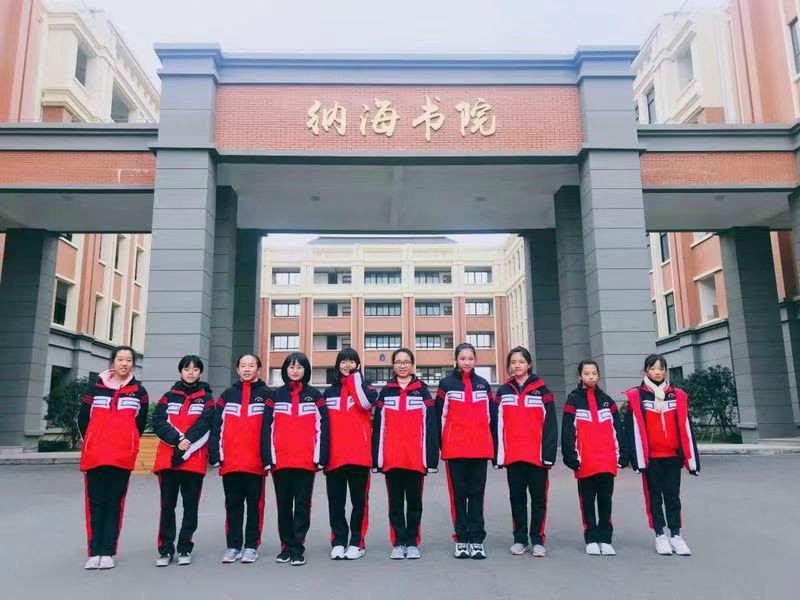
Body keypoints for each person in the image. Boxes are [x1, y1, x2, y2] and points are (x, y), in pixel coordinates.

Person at [78, 346, 149, 570]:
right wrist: (92, 441)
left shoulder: (139, 392)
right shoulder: (94, 388)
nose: (124, 363)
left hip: (121, 457)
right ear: (113, 361)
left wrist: (128, 443)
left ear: (133, 363)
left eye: (128, 360)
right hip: (95, 456)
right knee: (95, 504)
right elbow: (83, 419)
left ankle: (107, 552)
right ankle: (94, 552)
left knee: (114, 504)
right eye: (120, 359)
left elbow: (139, 424)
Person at [623, 354, 700, 557]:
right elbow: (630, 429)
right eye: (653, 368)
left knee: (673, 497)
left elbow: (686, 427)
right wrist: (634, 459)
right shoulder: (637, 396)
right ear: (645, 371)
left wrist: (692, 459)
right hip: (651, 459)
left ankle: (676, 534)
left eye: (661, 368)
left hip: (673, 456)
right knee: (654, 497)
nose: (657, 372)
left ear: (665, 371)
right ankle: (660, 534)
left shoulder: (677, 395)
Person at [261, 352, 329, 566]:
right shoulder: (275, 396)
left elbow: (323, 427)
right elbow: (266, 428)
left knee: (301, 506)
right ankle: (286, 548)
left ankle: (298, 548)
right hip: (280, 462)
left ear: (306, 370)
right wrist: (269, 458)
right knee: (283, 506)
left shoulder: (316, 396)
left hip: (306, 462)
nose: (295, 370)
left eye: (299, 367)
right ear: (285, 370)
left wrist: (320, 457)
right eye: (291, 367)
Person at [372, 348, 439, 560]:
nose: (402, 366)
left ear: (412, 365)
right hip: (392, 459)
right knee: (395, 504)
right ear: (393, 365)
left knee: (414, 503)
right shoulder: (386, 392)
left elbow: (431, 426)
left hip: (415, 459)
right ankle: (398, 542)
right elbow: (378, 427)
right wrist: (377, 459)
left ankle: (412, 543)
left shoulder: (423, 392)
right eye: (398, 362)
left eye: (406, 362)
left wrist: (431, 459)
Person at [493, 346, 557, 558]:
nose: (517, 365)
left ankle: (537, 539)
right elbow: (497, 424)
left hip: (537, 457)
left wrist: (548, 456)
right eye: (513, 362)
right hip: (513, 456)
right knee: (517, 499)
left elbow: (550, 425)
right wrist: (498, 455)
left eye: (521, 361)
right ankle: (520, 539)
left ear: (529, 364)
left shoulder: (543, 390)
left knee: (539, 499)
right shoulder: (503, 391)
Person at [151, 354, 215, 567]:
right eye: (187, 369)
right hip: (167, 460)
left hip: (193, 460)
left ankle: (185, 547)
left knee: (190, 506)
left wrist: (187, 443)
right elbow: (159, 422)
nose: (190, 372)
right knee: (167, 506)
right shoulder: (168, 397)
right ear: (180, 371)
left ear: (200, 373)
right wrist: (178, 440)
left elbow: (205, 424)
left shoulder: (207, 399)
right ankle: (165, 550)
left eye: (195, 369)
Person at [208, 353, 271, 564]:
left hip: (256, 463)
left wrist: (268, 458)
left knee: (255, 507)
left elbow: (272, 428)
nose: (247, 369)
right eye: (243, 365)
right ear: (237, 370)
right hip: (231, 462)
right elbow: (216, 426)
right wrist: (216, 454)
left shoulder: (267, 395)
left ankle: (251, 547)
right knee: (233, 506)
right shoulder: (227, 395)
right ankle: (233, 546)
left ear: (258, 369)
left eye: (251, 365)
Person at [436, 342, 495, 559]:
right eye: (462, 358)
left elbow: (490, 417)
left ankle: (477, 539)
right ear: (456, 360)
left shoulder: (483, 385)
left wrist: (492, 447)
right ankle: (461, 538)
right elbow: (439, 417)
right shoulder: (446, 384)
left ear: (475, 360)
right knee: (458, 496)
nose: (467, 362)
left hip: (480, 449)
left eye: (470, 358)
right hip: (455, 450)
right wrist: (443, 445)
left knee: (477, 495)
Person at [561, 359, 626, 556]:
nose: (591, 377)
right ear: (579, 376)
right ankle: (591, 538)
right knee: (587, 502)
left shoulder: (607, 401)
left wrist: (622, 454)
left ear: (598, 375)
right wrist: (571, 456)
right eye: (587, 373)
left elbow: (617, 429)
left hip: (606, 461)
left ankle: (605, 539)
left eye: (594, 373)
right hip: (585, 462)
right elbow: (568, 431)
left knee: (606, 501)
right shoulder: (573, 401)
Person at [323, 348, 378, 560]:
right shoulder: (329, 392)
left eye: (351, 361)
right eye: (343, 362)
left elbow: (364, 404)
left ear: (358, 365)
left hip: (359, 456)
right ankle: (338, 541)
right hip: (334, 457)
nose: (347, 365)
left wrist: (355, 380)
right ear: (337, 366)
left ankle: (356, 541)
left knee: (359, 503)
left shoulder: (367, 389)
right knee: (336, 503)